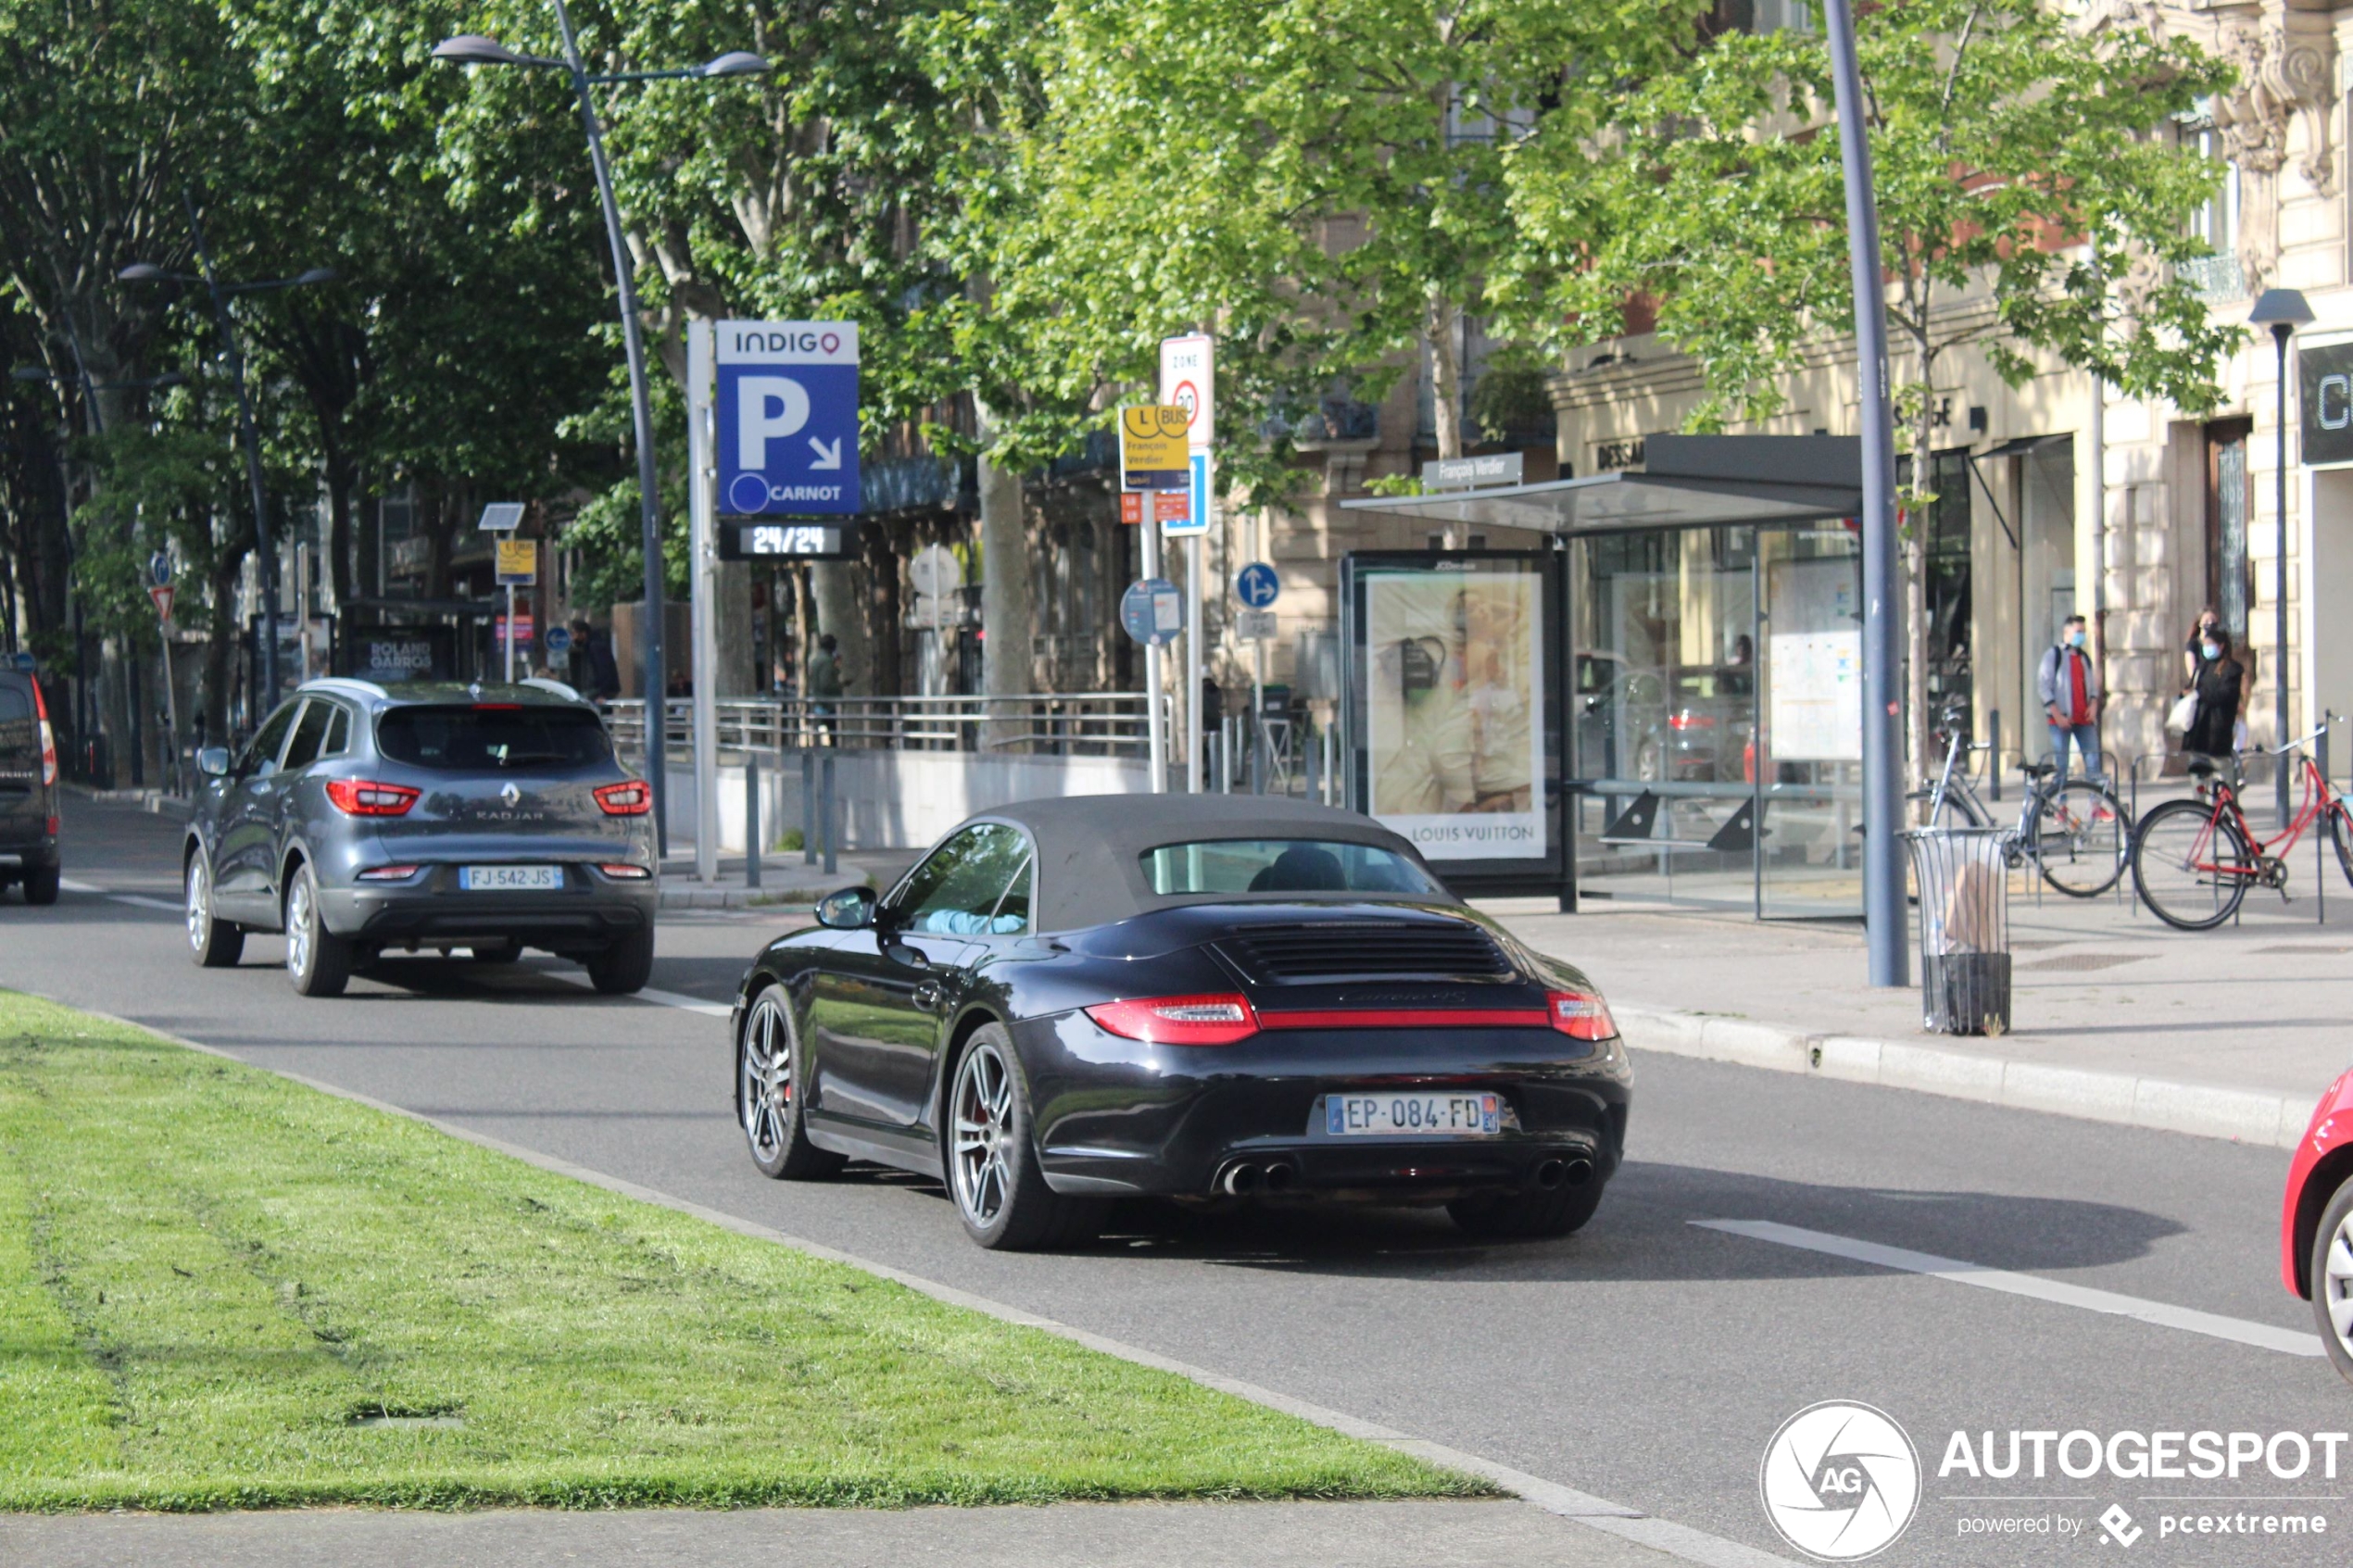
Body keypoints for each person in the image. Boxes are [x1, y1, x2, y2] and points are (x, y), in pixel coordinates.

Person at [2035, 614, 2104, 782]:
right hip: (2061, 719)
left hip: (2084, 719)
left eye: (2083, 631)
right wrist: (2057, 714)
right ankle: (2061, 803)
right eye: (2078, 631)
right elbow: (2044, 687)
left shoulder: (2084, 658)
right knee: (2062, 765)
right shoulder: (2054, 655)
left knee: (2093, 762)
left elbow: (2092, 686)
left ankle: (2095, 803)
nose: (2082, 635)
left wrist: (2093, 704)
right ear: (2067, 632)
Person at [2181, 622, 2247, 761]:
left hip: (2218, 729)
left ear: (2221, 645)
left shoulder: (2232, 669)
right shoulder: (2202, 667)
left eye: (2210, 644)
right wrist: (2186, 694)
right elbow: (2192, 686)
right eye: (2205, 644)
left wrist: (2200, 694)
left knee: (2222, 771)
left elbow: (2226, 694)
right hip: (2198, 730)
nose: (2206, 648)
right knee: (2198, 771)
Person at [806, 633, 844, 742]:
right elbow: (826, 684)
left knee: (818, 735)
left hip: (817, 701)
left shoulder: (815, 660)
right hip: (828, 704)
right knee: (833, 735)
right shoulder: (827, 661)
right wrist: (840, 685)